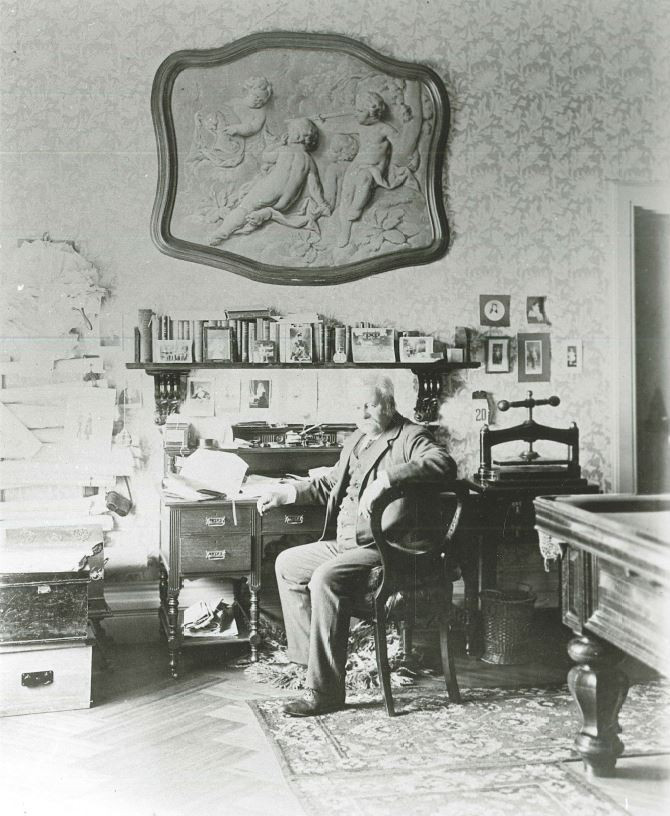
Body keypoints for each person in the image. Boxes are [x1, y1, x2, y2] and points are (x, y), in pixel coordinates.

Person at [256, 375, 456, 717]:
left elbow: (444, 464)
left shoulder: (410, 436)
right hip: (349, 542)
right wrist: (286, 493)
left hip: (387, 547)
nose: (363, 412)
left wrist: (387, 480)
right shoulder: (357, 440)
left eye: (371, 405)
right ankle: (311, 667)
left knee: (324, 578)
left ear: (390, 406)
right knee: (288, 564)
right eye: (358, 406)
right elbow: (329, 484)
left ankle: (325, 693)